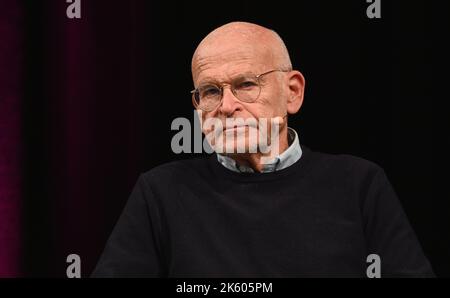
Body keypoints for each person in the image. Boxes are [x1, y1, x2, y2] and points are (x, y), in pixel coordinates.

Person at [92, 22, 434, 277]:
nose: (226, 106)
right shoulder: (160, 192)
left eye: (245, 85)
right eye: (210, 91)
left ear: (293, 92)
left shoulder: (360, 183)